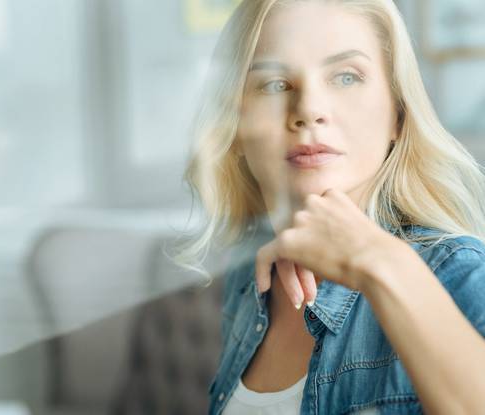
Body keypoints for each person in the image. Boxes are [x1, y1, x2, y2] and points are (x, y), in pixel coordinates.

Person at [174, 0, 485, 414]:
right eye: (274, 84)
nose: (309, 111)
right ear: (235, 125)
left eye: (345, 76)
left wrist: (378, 262)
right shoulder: (249, 283)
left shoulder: (458, 273)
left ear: (397, 114)